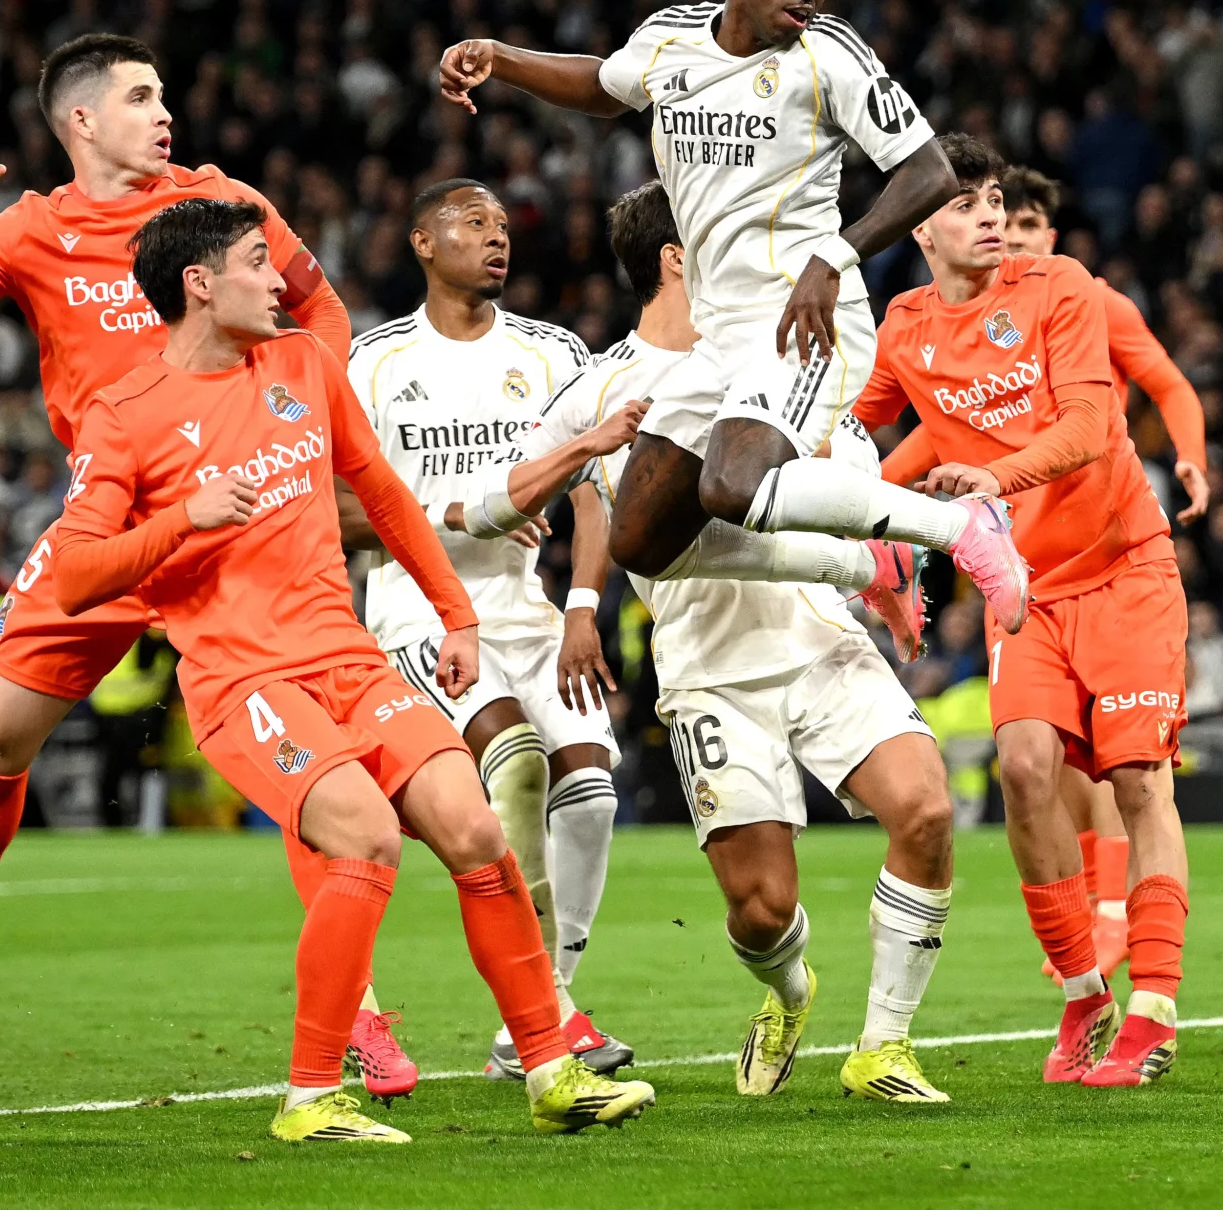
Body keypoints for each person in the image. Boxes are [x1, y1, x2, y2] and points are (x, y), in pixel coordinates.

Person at [0, 34, 415, 1102]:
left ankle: (360, 1013)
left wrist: (305, 415)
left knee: (306, 764)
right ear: (81, 119)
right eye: (142, 96)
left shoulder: (224, 204)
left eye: (166, 93)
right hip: (113, 522)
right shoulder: (34, 230)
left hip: (238, 518)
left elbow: (319, 311)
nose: (165, 110)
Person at [47, 196, 650, 1145]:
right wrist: (181, 519)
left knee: (476, 828)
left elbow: (384, 493)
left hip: (349, 655)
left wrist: (455, 613)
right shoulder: (123, 415)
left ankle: (549, 1067)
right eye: (257, 262)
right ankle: (310, 1095)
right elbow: (74, 573)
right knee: (369, 838)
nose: (278, 280)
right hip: (246, 684)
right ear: (199, 284)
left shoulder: (301, 364)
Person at [459, 182, 958, 1103]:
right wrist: (560, 568)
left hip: (818, 641)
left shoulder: (784, 355)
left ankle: (885, 1045)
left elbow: (849, 473)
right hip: (707, 672)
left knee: (925, 810)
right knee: (762, 909)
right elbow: (526, 486)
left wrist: (889, 573)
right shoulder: (600, 390)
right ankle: (789, 992)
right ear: (681, 256)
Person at [433, 0, 1030, 642]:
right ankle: (871, 567)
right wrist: (500, 57)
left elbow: (928, 172)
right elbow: (605, 86)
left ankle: (961, 527)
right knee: (643, 542)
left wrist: (835, 257)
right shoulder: (672, 39)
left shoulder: (831, 55)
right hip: (723, 339)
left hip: (807, 322)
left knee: (733, 485)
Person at [852, 136, 1192, 1090]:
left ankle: (1155, 1008)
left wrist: (987, 478)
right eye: (965, 204)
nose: (991, 215)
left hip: (1125, 567)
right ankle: (1086, 990)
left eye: (996, 197)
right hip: (1029, 590)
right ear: (919, 224)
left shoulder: (1061, 287)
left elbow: (1090, 425)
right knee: (1024, 765)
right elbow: (852, 426)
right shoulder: (905, 326)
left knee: (1138, 779)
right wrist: (871, 545)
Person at [342, 177, 631, 1077]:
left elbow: (593, 492)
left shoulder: (552, 353)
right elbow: (334, 512)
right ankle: (546, 1014)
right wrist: (461, 513)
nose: (497, 239)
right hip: (418, 613)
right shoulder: (373, 362)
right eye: (474, 223)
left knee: (591, 788)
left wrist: (583, 605)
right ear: (423, 243)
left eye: (504, 226)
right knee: (516, 762)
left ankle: (537, 1013)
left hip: (529, 611)